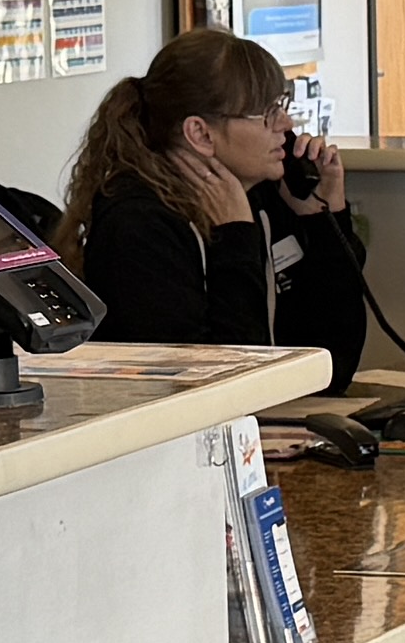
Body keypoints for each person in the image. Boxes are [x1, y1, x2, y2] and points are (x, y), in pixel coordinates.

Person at [62, 26, 367, 392]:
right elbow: (222, 386)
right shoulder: (139, 226)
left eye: (282, 106)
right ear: (201, 134)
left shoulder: (264, 195)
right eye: (267, 113)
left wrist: (322, 219)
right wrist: (234, 240)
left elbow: (333, 367)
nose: (286, 125)